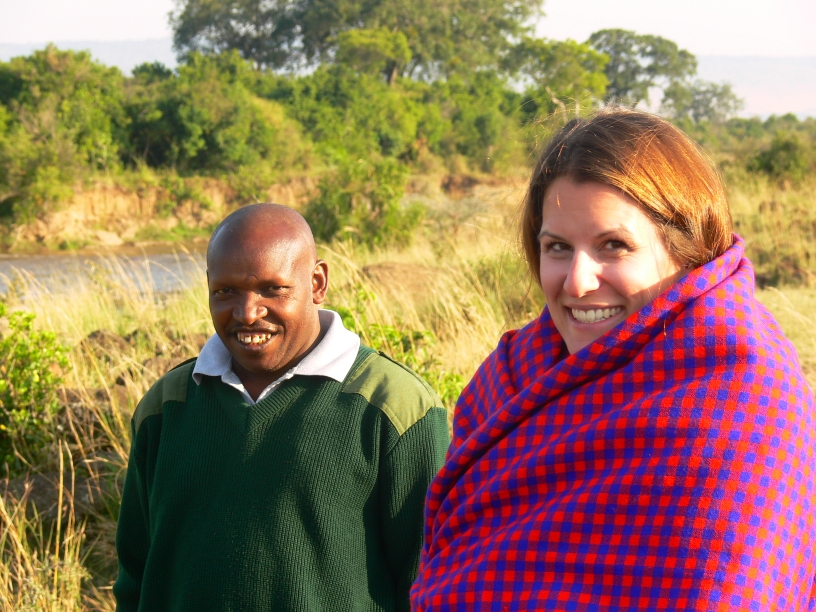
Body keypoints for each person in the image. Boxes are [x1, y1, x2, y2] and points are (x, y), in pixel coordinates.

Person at [411, 109, 816, 610]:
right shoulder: (514, 375)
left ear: (686, 251)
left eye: (614, 246)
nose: (577, 282)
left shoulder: (742, 403)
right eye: (558, 247)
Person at [114, 204, 450, 612]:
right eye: (225, 291)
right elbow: (135, 576)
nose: (247, 313)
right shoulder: (167, 406)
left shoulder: (394, 407)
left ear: (317, 283)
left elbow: (429, 582)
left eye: (272, 289)